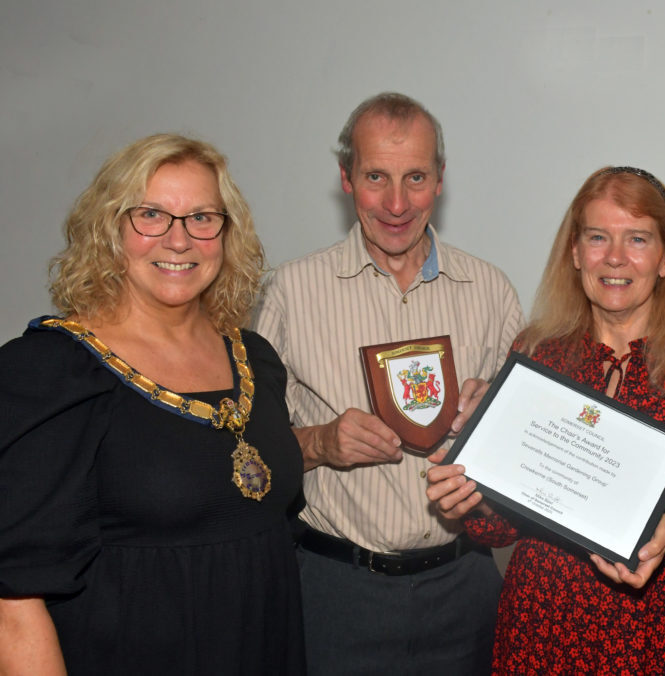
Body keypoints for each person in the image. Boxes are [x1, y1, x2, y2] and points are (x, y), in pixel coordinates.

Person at [428, 166, 665, 675]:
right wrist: (466, 499)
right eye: (598, 237)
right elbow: (502, 525)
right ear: (575, 252)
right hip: (536, 627)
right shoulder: (537, 354)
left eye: (638, 239)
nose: (616, 258)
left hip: (651, 632)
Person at [0, 134, 305, 674]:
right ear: (110, 229)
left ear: (226, 234)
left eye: (202, 217)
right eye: (151, 215)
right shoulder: (50, 372)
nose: (179, 239)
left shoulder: (256, 359)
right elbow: (14, 606)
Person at [253, 92, 524, 675]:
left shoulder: (491, 291)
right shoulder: (292, 291)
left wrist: (496, 423)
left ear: (440, 180)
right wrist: (321, 442)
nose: (397, 203)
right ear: (347, 179)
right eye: (377, 176)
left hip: (465, 588)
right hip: (336, 592)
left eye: (416, 177)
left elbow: (526, 459)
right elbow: (245, 455)